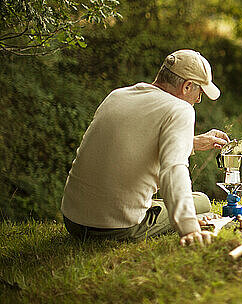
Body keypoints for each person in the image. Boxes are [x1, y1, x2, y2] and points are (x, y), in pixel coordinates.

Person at [61, 49, 230, 247]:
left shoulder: (117, 96)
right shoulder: (180, 109)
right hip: (116, 228)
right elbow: (173, 170)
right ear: (187, 86)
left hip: (73, 220)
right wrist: (189, 228)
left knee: (183, 202)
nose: (198, 100)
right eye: (199, 92)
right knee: (201, 202)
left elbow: (125, 144)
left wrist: (191, 142)